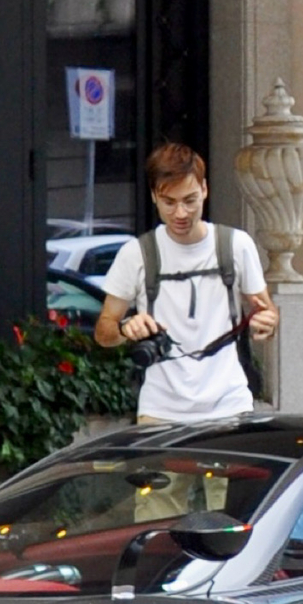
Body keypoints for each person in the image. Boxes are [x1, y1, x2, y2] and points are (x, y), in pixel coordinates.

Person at [95, 144, 280, 424]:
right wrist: (125, 328)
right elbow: (103, 332)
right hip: (160, 411)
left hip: (229, 405)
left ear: (204, 189)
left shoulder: (235, 245)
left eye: (190, 200)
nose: (180, 213)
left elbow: (267, 313)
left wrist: (267, 322)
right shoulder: (136, 253)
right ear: (154, 196)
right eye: (169, 202)